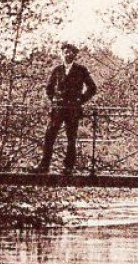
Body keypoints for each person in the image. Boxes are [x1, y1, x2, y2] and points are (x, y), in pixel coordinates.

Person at [37, 42, 96, 175]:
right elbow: (49, 88)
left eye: (71, 52)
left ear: (75, 55)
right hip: (58, 108)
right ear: (62, 54)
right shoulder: (57, 70)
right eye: (66, 52)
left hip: (73, 110)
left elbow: (92, 88)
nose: (68, 54)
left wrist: (80, 100)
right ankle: (44, 165)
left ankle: (68, 167)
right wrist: (53, 99)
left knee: (71, 139)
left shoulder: (81, 70)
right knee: (49, 136)